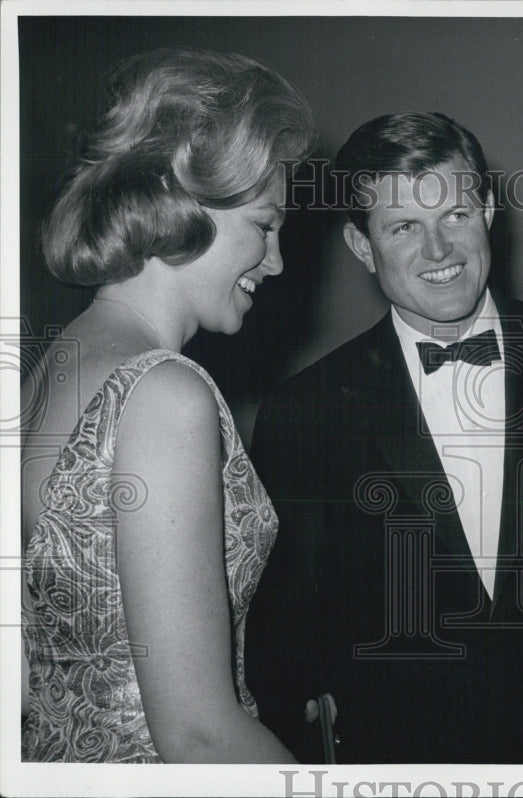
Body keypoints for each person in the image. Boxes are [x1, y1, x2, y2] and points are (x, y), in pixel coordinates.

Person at [246, 112, 523, 763]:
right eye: (404, 227)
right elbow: (286, 648)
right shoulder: (305, 411)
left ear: (489, 211)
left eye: (456, 216)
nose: (438, 251)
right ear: (361, 245)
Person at [20, 48, 314, 763]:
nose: (276, 262)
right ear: (183, 203)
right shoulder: (162, 393)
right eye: (265, 226)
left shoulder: (60, 361)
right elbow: (200, 734)